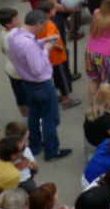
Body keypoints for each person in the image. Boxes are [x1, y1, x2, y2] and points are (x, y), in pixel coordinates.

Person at [8, 9, 72, 161]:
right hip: (41, 84)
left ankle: (35, 145)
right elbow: (37, 69)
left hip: (27, 83)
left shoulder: (14, 34)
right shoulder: (29, 44)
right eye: (44, 25)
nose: (45, 27)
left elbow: (30, 48)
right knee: (50, 119)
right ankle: (52, 151)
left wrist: (44, 40)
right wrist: (46, 49)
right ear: (37, 23)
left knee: (34, 116)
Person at [34, 1, 82, 110]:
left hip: (47, 58)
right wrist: (59, 47)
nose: (55, 10)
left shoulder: (36, 23)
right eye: (53, 9)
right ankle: (66, 100)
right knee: (63, 78)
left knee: (53, 78)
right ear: (48, 13)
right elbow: (50, 40)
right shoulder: (50, 25)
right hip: (57, 58)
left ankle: (56, 96)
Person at [0, 8, 28, 118]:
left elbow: (2, 50)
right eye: (15, 19)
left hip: (11, 69)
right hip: (20, 73)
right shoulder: (15, 39)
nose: (19, 20)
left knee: (20, 98)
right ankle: (30, 119)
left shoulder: (3, 32)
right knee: (26, 99)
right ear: (8, 24)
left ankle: (26, 118)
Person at [3, 122, 37, 194]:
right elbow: (34, 165)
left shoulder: (4, 147)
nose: (28, 132)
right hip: (25, 179)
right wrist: (34, 169)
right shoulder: (25, 150)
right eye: (26, 132)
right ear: (22, 137)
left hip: (12, 180)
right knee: (34, 194)